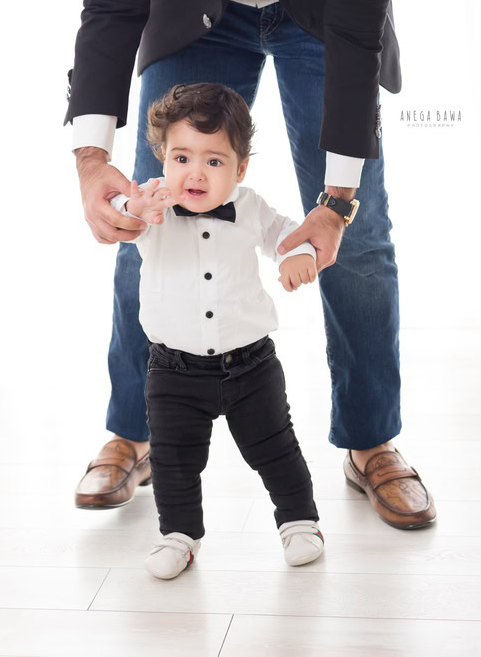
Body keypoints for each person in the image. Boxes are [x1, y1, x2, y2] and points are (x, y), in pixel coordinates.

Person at [66, 0, 436, 530]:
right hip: (199, 12)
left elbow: (354, 25)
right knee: (149, 212)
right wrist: (92, 157)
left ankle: (372, 439)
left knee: (363, 231)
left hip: (318, 19)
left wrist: (335, 199)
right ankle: (135, 430)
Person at [111, 81, 325, 579]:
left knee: (275, 448)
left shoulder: (250, 207)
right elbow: (124, 215)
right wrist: (134, 209)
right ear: (163, 157)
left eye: (214, 161)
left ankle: (299, 521)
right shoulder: (152, 206)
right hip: (173, 371)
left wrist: (300, 258)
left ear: (240, 168)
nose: (195, 173)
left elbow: (287, 238)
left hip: (250, 364)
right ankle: (179, 535)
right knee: (174, 461)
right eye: (182, 157)